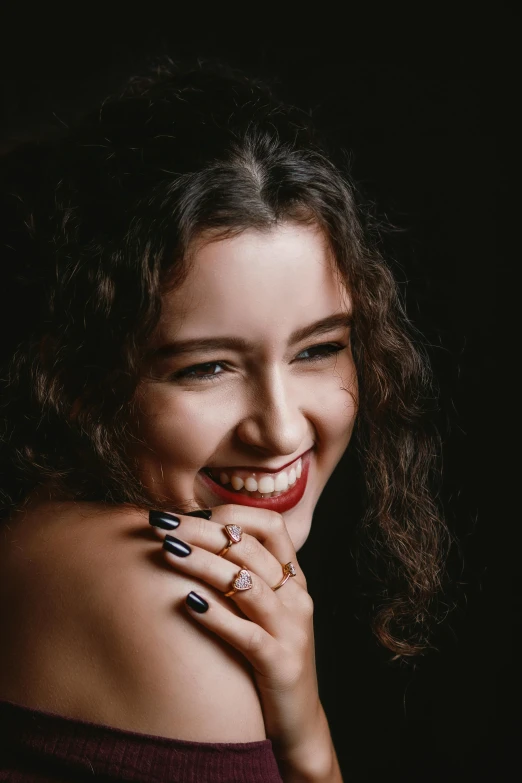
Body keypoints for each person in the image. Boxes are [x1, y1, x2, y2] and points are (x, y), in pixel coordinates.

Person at [0, 57, 450, 782]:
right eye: (208, 366)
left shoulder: (48, 527)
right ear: (79, 380)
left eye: (319, 348)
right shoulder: (170, 591)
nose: (280, 429)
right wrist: (312, 750)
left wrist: (304, 726)